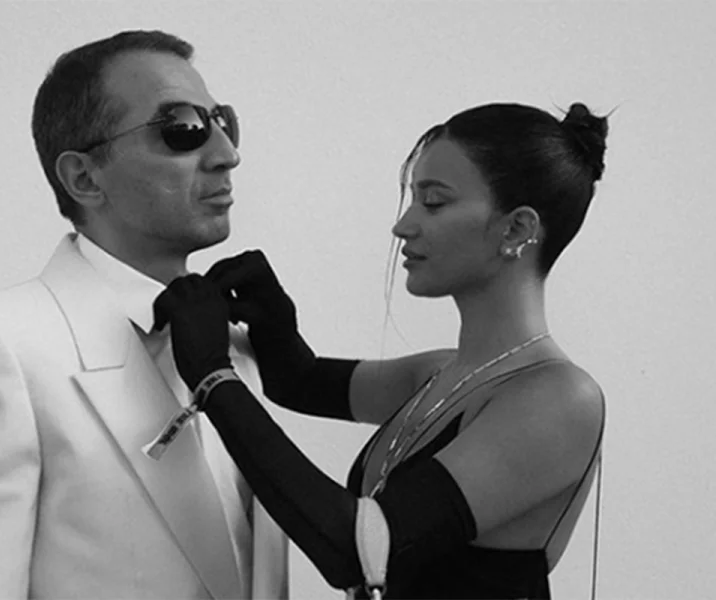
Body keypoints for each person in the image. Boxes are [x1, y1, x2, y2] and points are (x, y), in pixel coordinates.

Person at [153, 102, 609, 599]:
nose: (403, 225)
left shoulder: (560, 399)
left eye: (433, 203)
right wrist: (273, 325)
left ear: (517, 229)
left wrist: (213, 377)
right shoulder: (440, 374)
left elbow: (359, 550)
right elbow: (298, 381)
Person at [0, 30, 288, 599]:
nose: (226, 154)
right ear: (84, 177)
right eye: (184, 128)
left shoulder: (236, 339)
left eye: (223, 121)